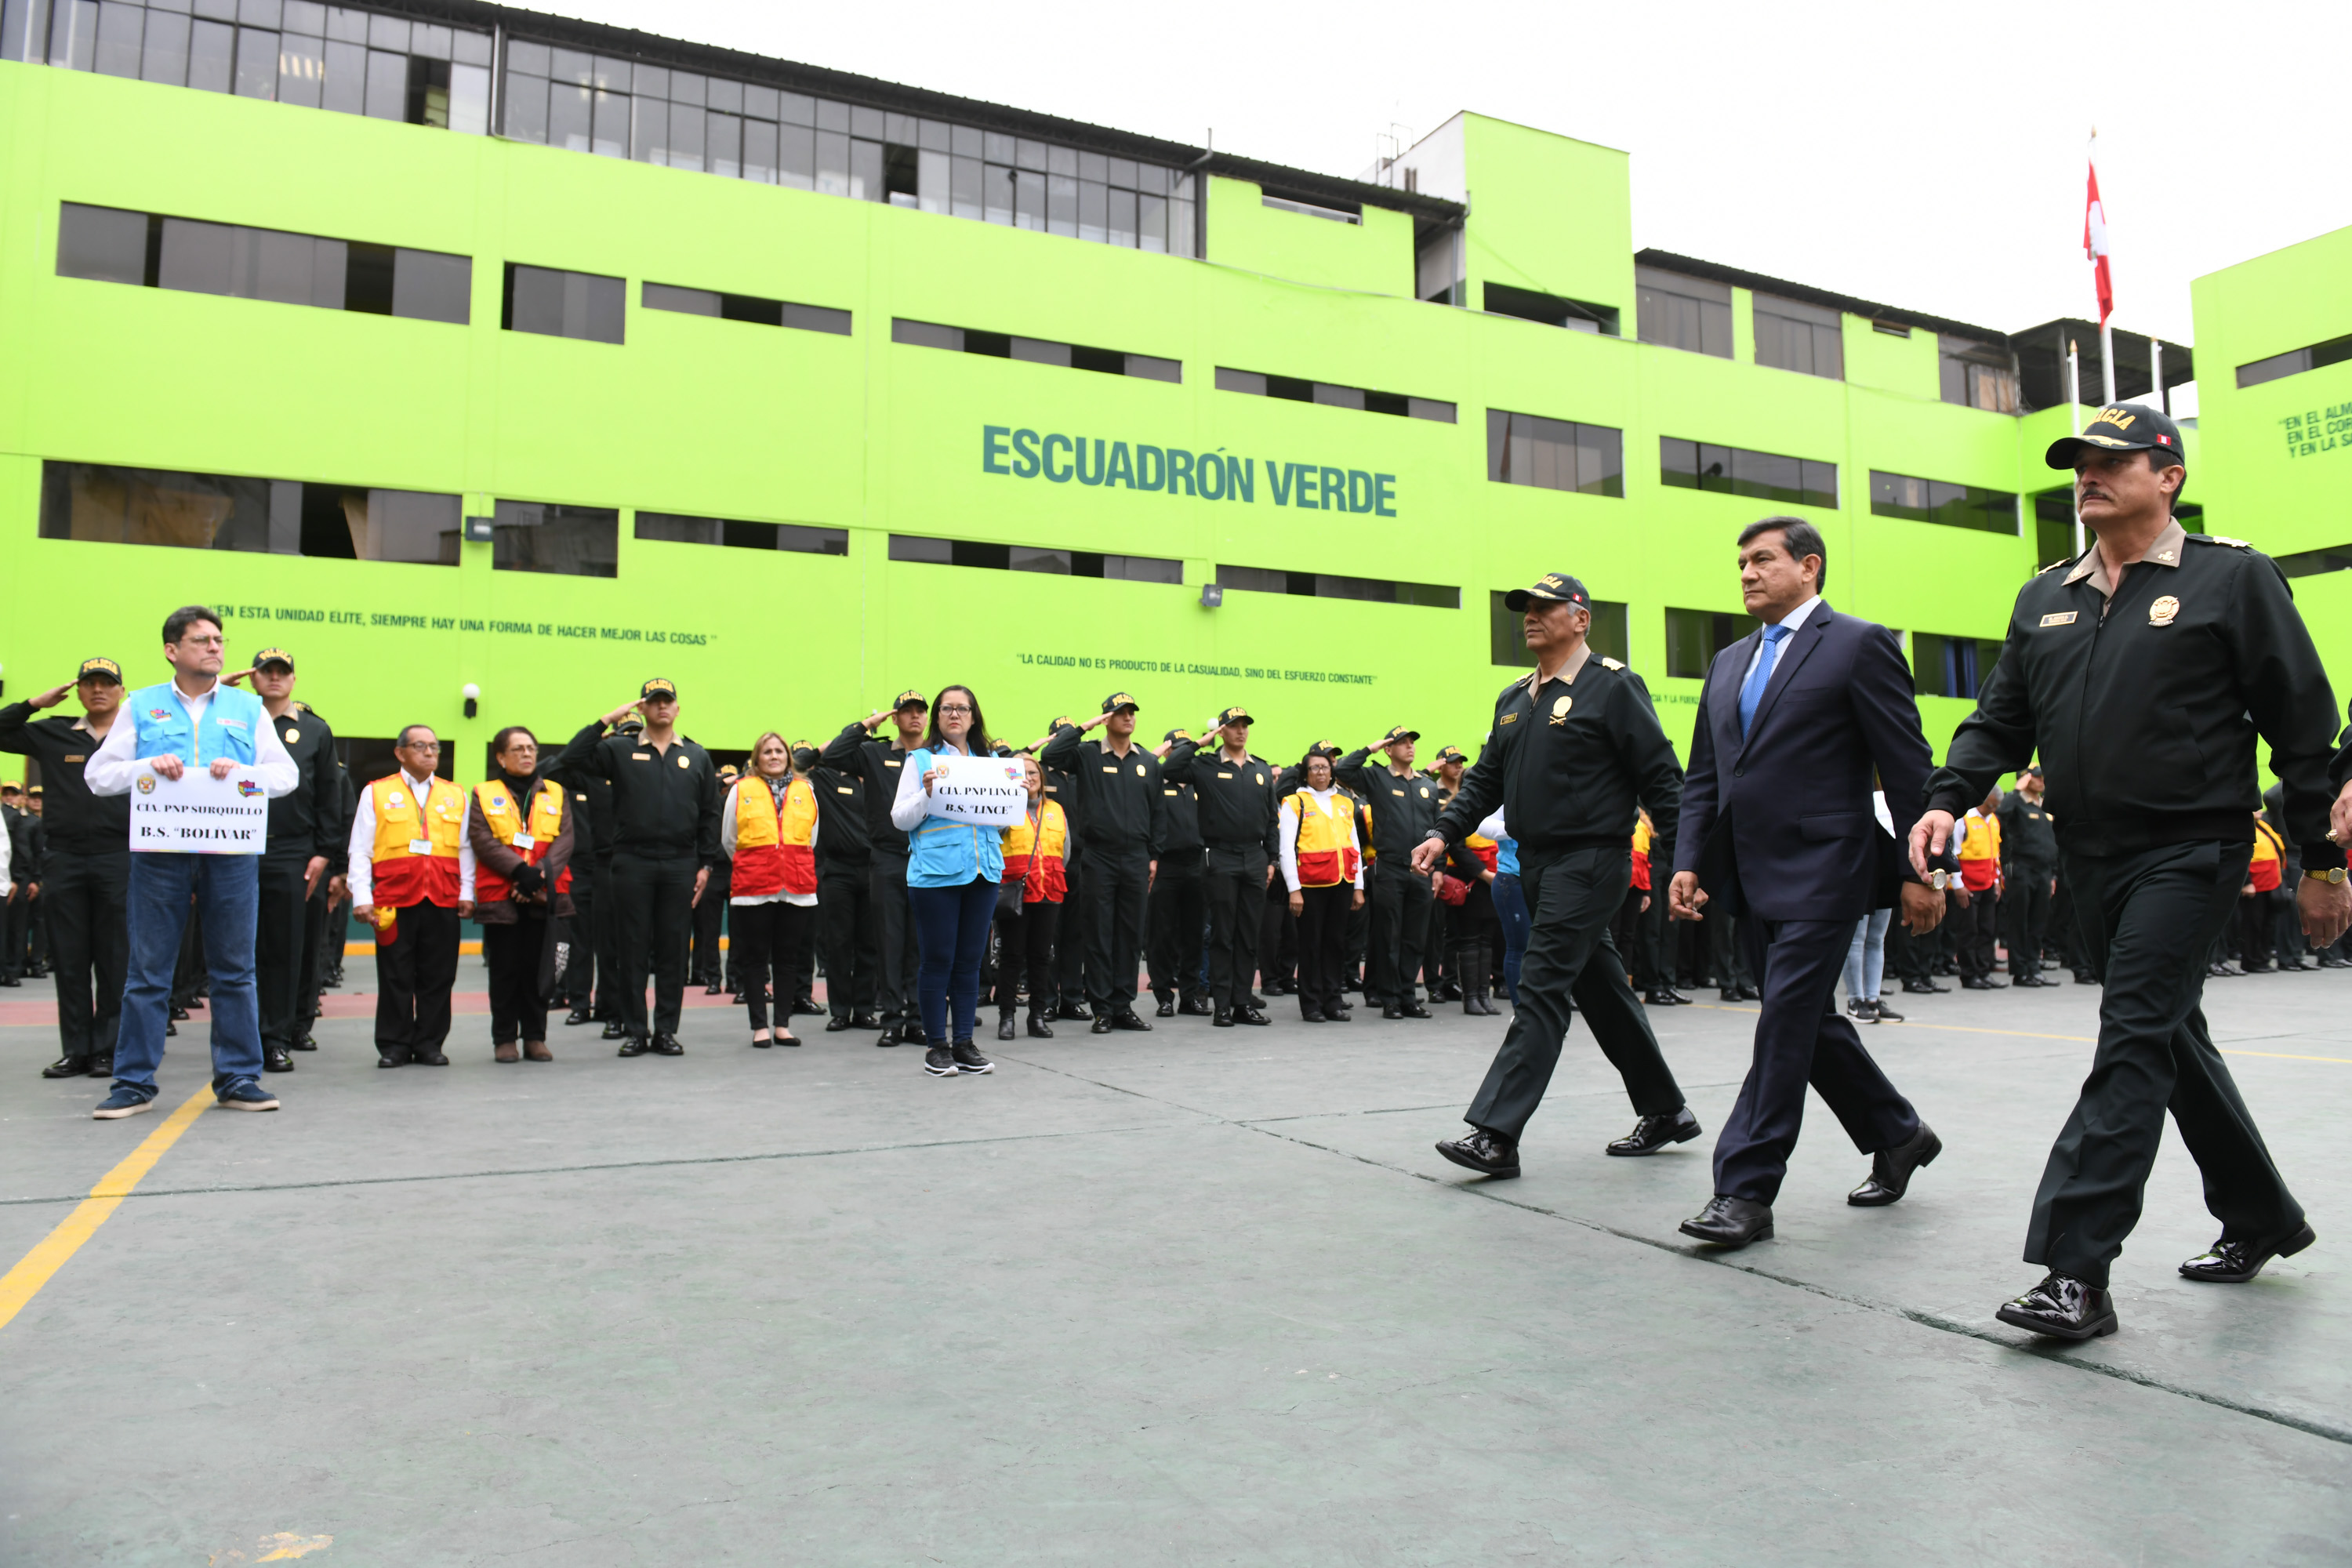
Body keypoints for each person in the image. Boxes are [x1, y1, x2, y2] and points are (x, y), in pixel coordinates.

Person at [1915, 403, 2349, 1338]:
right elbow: (2001, 717)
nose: (2089, 475)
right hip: (2090, 855)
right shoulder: (2045, 597)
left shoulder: (2232, 578)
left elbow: (2306, 729)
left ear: (2169, 476)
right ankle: (2263, 1214)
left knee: (2130, 1035)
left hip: (2194, 848)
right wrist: (1949, 794)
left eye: (2112, 460)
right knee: (2167, 1037)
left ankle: (2076, 1270)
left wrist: (2323, 859)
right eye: (2079, 463)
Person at [1666, 523, 1945, 1249]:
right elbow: (1705, 776)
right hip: (1748, 874)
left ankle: (1744, 1191)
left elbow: (1907, 764)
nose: (1748, 574)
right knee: (1805, 1024)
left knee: (1783, 1022)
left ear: (1808, 567)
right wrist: (1688, 860)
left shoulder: (1858, 643)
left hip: (1829, 868)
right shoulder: (1727, 662)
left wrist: (1920, 871)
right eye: (1741, 563)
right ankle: (1899, 1132)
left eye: (1763, 560)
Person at [1414, 575, 1700, 1178]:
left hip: (1592, 860)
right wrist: (1443, 832)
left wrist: (1687, 860)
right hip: (1537, 864)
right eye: (1526, 609)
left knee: (1541, 987)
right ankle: (1667, 1111)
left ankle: (1495, 1133)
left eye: (1546, 607)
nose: (1531, 617)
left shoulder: (1613, 686)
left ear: (1581, 619)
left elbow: (1661, 779)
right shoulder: (1514, 698)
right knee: (1602, 991)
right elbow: (1485, 780)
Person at [82, 606, 299, 1118]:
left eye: (219, 639)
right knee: (149, 971)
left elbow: (285, 777)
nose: (215, 647)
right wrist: (145, 766)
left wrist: (247, 772)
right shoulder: (142, 705)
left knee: (234, 970)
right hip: (160, 854)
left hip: (231, 853)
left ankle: (240, 1077)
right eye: (201, 639)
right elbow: (98, 776)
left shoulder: (249, 709)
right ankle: (132, 1083)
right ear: (172, 650)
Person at [550, 681, 721, 1058]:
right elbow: (570, 759)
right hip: (631, 861)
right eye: (654, 702)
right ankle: (635, 1030)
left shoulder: (696, 756)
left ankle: (665, 1030)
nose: (662, 707)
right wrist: (606, 720)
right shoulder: (618, 749)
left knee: (673, 949)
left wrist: (706, 864)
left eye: (668, 702)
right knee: (631, 948)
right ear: (642, 709)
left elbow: (710, 813)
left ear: (677, 709)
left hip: (680, 862)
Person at [2, 658, 132, 1077]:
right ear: (77, 690)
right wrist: (31, 704)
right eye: (89, 683)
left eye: (107, 683)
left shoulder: (138, 736)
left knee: (115, 960)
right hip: (64, 858)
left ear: (120, 691)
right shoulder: (54, 733)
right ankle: (76, 1049)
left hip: (120, 857)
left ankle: (107, 1049)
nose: (98, 690)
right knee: (70, 959)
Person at [224, 648, 347, 1074]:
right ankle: (236, 1036)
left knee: (284, 948)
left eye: (282, 672)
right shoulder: (231, 720)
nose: (274, 678)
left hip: (290, 851)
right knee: (236, 949)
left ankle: (274, 1037)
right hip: (234, 844)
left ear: (293, 680)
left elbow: (330, 796)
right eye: (266, 672)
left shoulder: (314, 730)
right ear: (253, 678)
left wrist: (324, 854)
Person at [890, 685, 1001, 1076]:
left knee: (970, 963)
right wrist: (926, 794)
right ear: (937, 717)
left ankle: (964, 1043)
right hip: (935, 875)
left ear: (974, 716)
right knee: (938, 961)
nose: (955, 715)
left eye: (963, 708)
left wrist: (1015, 798)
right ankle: (936, 1046)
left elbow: (999, 820)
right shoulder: (920, 760)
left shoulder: (991, 763)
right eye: (947, 709)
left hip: (983, 871)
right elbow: (900, 818)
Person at [349, 725, 474, 1069]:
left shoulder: (455, 794)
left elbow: (466, 849)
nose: (430, 753)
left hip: (442, 897)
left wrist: (468, 892)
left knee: (439, 976)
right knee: (395, 975)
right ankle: (394, 1046)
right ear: (400, 752)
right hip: (393, 899)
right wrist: (361, 896)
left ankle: (430, 1043)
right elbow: (359, 849)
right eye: (421, 746)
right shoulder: (376, 792)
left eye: (435, 747)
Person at [1041, 693, 1167, 1034]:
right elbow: (1050, 755)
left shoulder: (1148, 763)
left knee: (1129, 933)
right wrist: (1085, 727)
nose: (1128, 718)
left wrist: (1154, 855)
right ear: (1107, 719)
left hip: (1137, 857)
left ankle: (1123, 1005)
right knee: (1099, 933)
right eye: (1120, 713)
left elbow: (1158, 812)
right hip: (1099, 856)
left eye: (1132, 713)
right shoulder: (1087, 755)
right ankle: (1102, 1009)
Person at [1163, 706, 1280, 1028]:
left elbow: (1272, 819)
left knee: (1247, 935)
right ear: (1222, 731)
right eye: (1234, 726)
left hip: (1254, 858)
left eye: (1245, 726)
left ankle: (1243, 1003)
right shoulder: (1205, 765)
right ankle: (1223, 1006)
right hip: (1220, 855)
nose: (1241, 731)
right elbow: (1171, 768)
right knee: (1223, 935)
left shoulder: (1260, 769)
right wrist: (1200, 742)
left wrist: (1271, 858)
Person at [822, 690, 927, 1044]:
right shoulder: (874, 752)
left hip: (928, 857)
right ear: (895, 718)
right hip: (887, 857)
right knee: (889, 940)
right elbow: (833, 755)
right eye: (906, 712)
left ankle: (918, 1017)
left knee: (920, 943)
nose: (914, 716)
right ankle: (892, 1018)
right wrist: (866, 725)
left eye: (920, 711)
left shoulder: (937, 756)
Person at [464, 725, 574, 1062]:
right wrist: (519, 873)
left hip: (545, 893)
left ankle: (535, 1037)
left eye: (531, 748)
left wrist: (537, 877)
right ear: (501, 756)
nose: (527, 754)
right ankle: (504, 1039)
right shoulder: (484, 793)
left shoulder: (556, 792)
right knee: (505, 971)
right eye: (518, 749)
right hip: (502, 894)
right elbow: (482, 840)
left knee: (539, 969)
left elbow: (565, 840)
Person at [1338, 726, 1443, 1018]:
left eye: (1412, 743)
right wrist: (1371, 748)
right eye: (1402, 743)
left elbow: (1438, 828)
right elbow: (1344, 770)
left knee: (1415, 937)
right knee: (1389, 936)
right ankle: (1391, 998)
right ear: (1388, 749)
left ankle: (1409, 996)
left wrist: (1440, 868)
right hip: (1390, 869)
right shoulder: (1377, 777)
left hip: (1422, 871)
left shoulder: (1427, 785)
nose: (1410, 747)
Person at [721, 733, 818, 1049]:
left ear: (788, 757)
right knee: (754, 959)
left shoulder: (807, 791)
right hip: (753, 886)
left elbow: (811, 838)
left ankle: (782, 1026)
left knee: (788, 958)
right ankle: (759, 1026)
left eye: (779, 751)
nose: (774, 756)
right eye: (767, 751)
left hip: (796, 885)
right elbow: (729, 840)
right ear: (756, 758)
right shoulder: (740, 790)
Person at [1279, 749, 1365, 1022]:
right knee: (1311, 945)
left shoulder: (1345, 802)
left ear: (1332, 772)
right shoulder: (1294, 802)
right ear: (1305, 773)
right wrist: (1294, 889)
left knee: (1335, 943)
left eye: (1325, 767)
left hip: (1342, 883)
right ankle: (1311, 1004)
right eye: (1315, 768)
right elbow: (1286, 850)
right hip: (1310, 885)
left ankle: (1333, 1001)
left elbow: (1356, 846)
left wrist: (1358, 886)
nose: (1321, 772)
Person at [806, 739, 880, 1033]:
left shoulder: (880, 779)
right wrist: (825, 747)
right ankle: (839, 1010)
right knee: (838, 943)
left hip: (874, 869)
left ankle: (863, 1010)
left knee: (868, 944)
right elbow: (800, 761)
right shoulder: (827, 779)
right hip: (838, 869)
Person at [996, 754, 1069, 1041]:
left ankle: (1037, 1016)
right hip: (1015, 892)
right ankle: (1007, 1017)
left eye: (1034, 773)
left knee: (1041, 957)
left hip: (1050, 890)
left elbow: (1066, 850)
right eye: (1023, 773)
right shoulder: (1004, 810)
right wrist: (1013, 800)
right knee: (1011, 956)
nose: (1030, 778)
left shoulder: (1057, 810)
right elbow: (994, 840)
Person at [1146, 729, 1210, 1018]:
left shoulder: (1200, 783)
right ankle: (1163, 995)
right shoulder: (1157, 781)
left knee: (1194, 935)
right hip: (1165, 866)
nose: (1188, 755)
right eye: (1180, 749)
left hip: (1196, 864)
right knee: (1162, 935)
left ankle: (1190, 995)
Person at [1996, 766, 2060, 986]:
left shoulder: (2044, 805)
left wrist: (2053, 875)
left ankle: (2034, 967)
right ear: (2025, 779)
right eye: (2038, 777)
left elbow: (2051, 843)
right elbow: (2000, 818)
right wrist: (2015, 791)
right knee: (2019, 921)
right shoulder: (2015, 803)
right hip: (2021, 869)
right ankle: (2021, 971)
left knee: (2038, 922)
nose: (2043, 780)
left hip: (2043, 871)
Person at [1951, 788, 2005, 989]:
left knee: (1987, 930)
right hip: (1968, 886)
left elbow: (1995, 855)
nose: (1992, 809)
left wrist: (1997, 881)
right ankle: (1969, 974)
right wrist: (1958, 886)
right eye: (1989, 805)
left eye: (1995, 807)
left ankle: (1984, 972)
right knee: (1969, 931)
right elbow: (1954, 854)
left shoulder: (1993, 820)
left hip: (1988, 884)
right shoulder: (1963, 820)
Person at [695, 764, 739, 995]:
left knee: (737, 931)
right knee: (710, 931)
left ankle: (732, 978)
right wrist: (725, 781)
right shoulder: (709, 804)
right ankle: (713, 979)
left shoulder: (741, 803)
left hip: (734, 870)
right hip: (713, 871)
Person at [0, 782, 34, 985]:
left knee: (11, 927)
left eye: (14, 794)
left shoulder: (14, 817)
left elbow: (14, 851)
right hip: (9, 879)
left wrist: (14, 880)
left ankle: (9, 970)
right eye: (7, 794)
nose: (9, 797)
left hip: (11, 880)